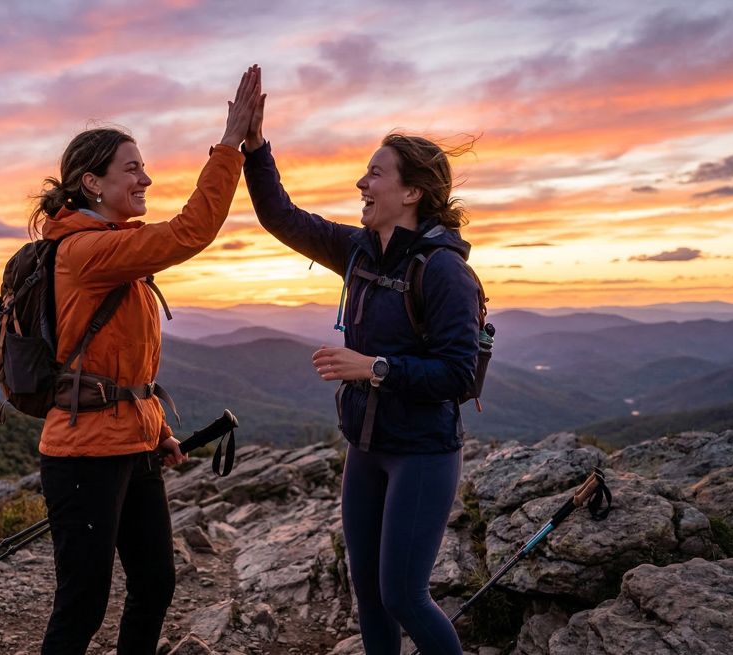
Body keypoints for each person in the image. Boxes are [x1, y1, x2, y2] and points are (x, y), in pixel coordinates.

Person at [30, 66, 261, 654]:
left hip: (130, 446)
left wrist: (155, 430)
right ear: (91, 183)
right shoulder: (86, 250)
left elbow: (126, 364)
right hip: (83, 452)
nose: (146, 179)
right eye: (131, 169)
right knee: (81, 608)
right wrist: (230, 145)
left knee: (155, 583)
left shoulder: (113, 250)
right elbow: (189, 232)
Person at [242, 85, 478, 655]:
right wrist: (255, 147)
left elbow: (458, 375)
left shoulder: (445, 272)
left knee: (403, 594)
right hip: (365, 448)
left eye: (375, 174)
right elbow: (282, 216)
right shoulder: (360, 250)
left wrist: (373, 367)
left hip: (421, 452)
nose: (361, 184)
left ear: (413, 191)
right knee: (369, 593)